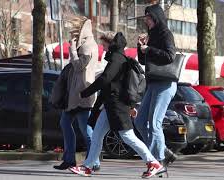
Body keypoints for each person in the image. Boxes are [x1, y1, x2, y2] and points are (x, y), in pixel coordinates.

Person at [68, 32, 164, 178]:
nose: (102, 47)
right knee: (97, 137)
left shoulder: (116, 59)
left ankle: (153, 162)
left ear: (110, 43)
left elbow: (105, 79)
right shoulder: (117, 57)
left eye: (104, 44)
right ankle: (87, 167)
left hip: (118, 105)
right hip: (110, 105)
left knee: (127, 136)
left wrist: (85, 92)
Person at [134, 3, 178, 167]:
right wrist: (141, 47)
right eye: (145, 18)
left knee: (154, 123)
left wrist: (149, 49)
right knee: (139, 122)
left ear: (156, 18)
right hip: (153, 83)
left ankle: (157, 161)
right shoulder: (151, 35)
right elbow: (142, 60)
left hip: (165, 83)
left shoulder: (166, 34)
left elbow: (170, 56)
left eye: (149, 17)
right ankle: (163, 151)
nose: (146, 21)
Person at [53, 18, 100, 170]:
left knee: (86, 129)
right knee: (66, 123)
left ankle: (94, 161)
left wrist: (73, 49)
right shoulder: (85, 45)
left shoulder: (88, 47)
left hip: (82, 94)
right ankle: (69, 159)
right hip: (74, 94)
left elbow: (80, 66)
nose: (73, 36)